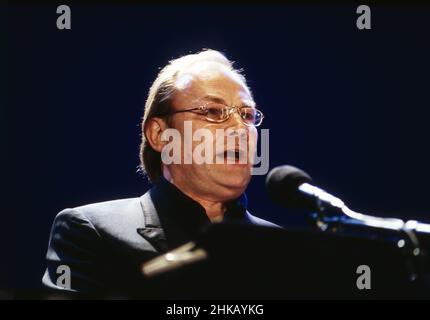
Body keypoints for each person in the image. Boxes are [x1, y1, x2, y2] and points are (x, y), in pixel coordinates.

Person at [42, 49, 278, 296]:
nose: (240, 128)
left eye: (247, 115)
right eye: (212, 111)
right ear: (159, 135)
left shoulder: (282, 248)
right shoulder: (91, 231)